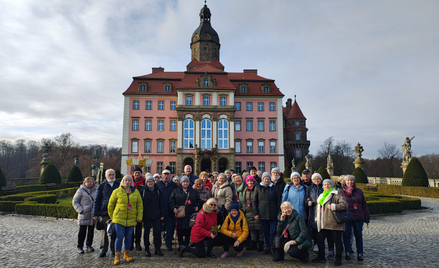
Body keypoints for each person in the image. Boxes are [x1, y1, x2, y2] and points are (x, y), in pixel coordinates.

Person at [108, 175, 143, 265]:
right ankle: (117, 255)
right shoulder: (117, 191)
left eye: (129, 180)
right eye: (125, 180)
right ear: (122, 181)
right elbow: (110, 205)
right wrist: (113, 217)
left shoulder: (136, 192)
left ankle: (126, 254)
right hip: (119, 219)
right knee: (119, 237)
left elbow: (140, 205)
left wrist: (139, 217)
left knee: (128, 237)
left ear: (131, 182)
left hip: (131, 219)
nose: (127, 182)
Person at [312, 179, 347, 266]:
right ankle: (321, 256)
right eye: (325, 185)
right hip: (324, 223)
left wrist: (333, 206)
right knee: (319, 238)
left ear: (332, 185)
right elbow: (318, 207)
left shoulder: (337, 194)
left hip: (334, 222)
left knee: (337, 241)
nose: (326, 186)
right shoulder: (321, 195)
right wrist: (316, 218)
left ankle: (338, 258)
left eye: (328, 184)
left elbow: (344, 205)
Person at [339, 175, 370, 262]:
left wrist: (367, 218)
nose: (350, 182)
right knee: (346, 235)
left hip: (358, 217)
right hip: (347, 217)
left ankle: (360, 253)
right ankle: (347, 252)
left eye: (352, 180)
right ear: (345, 182)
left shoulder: (359, 191)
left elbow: (364, 205)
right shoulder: (341, 192)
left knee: (358, 236)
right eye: (348, 180)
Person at [93, 169, 120, 257]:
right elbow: (97, 200)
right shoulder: (101, 186)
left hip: (116, 212)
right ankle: (104, 249)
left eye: (113, 174)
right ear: (106, 176)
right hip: (104, 212)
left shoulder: (119, 185)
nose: (111, 176)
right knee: (106, 229)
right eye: (109, 175)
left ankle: (113, 249)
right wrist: (95, 213)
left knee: (115, 230)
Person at [169, 176, 200, 248]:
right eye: (184, 182)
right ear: (181, 183)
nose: (185, 183)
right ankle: (181, 245)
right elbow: (171, 201)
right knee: (180, 230)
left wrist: (197, 206)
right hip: (180, 214)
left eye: (187, 182)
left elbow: (198, 200)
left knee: (188, 230)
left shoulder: (193, 191)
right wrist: (173, 208)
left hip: (190, 213)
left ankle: (186, 245)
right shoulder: (176, 191)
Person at [254, 172, 280, 255]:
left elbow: (278, 201)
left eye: (268, 179)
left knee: (273, 231)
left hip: (273, 212)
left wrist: (279, 213)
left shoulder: (274, 187)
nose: (266, 180)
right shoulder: (258, 187)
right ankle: (268, 246)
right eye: (265, 179)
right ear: (263, 179)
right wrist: (256, 213)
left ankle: (272, 246)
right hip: (262, 213)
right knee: (265, 232)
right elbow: (254, 201)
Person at [140, 174, 164, 257]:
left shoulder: (157, 190)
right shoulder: (143, 191)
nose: (150, 183)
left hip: (156, 215)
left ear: (154, 182)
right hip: (146, 215)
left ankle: (157, 249)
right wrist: (141, 215)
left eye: (152, 181)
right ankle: (147, 249)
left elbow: (161, 203)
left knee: (157, 232)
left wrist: (162, 214)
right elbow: (140, 204)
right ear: (146, 182)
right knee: (146, 232)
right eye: (149, 181)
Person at [72, 177, 97, 254]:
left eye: (91, 181)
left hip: (92, 214)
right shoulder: (80, 190)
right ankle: (80, 246)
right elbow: (75, 201)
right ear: (84, 183)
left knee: (91, 231)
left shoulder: (96, 190)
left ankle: (89, 244)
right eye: (88, 182)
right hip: (84, 214)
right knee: (82, 231)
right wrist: (80, 210)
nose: (90, 183)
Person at [156, 169, 177, 251]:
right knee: (158, 228)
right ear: (161, 175)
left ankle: (168, 244)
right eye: (164, 174)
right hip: (160, 210)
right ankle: (158, 244)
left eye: (168, 174)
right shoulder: (158, 184)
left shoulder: (173, 185)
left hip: (170, 210)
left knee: (170, 228)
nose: (166, 176)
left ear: (170, 175)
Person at [242, 175, 264, 252]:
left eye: (251, 181)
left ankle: (261, 244)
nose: (250, 182)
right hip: (248, 211)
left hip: (257, 211)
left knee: (259, 228)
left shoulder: (257, 188)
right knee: (252, 229)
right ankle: (253, 243)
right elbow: (243, 201)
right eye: (248, 181)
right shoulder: (245, 190)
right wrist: (245, 209)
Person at [308, 173, 324, 253]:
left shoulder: (324, 187)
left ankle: (320, 244)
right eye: (314, 179)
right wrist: (307, 202)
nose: (316, 180)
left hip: (322, 210)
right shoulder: (310, 188)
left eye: (318, 179)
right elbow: (306, 198)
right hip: (313, 210)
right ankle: (315, 243)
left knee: (320, 228)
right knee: (314, 228)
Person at [132, 167, 145, 251]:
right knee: (130, 227)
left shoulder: (144, 182)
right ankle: (130, 243)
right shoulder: (129, 181)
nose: (137, 174)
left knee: (138, 227)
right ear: (133, 173)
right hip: (131, 207)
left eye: (138, 173)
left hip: (140, 207)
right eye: (136, 173)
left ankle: (137, 243)